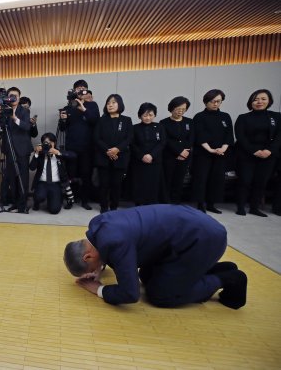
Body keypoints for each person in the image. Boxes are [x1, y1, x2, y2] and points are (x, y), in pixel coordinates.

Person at [63, 204, 247, 309]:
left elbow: (131, 293)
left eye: (91, 268)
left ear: (87, 256)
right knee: (147, 276)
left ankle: (229, 278)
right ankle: (220, 268)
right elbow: (112, 254)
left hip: (203, 240)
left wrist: (98, 289)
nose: (95, 271)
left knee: (161, 295)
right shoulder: (97, 226)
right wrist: (99, 268)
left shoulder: (115, 241)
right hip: (190, 229)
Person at [234, 89, 281, 217]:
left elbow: (279, 137)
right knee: (245, 181)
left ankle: (255, 207)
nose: (259, 101)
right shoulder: (243, 118)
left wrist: (269, 150)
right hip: (247, 154)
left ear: (269, 101)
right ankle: (240, 206)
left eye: (263, 99)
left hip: (268, 155)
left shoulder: (276, 117)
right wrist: (254, 151)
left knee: (261, 182)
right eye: (256, 99)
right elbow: (240, 136)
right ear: (251, 102)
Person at [58, 80, 101, 210]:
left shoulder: (92, 105)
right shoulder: (68, 107)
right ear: (74, 91)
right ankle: (71, 199)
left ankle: (85, 201)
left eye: (84, 88)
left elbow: (96, 122)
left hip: (87, 147)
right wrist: (63, 120)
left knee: (86, 175)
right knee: (70, 175)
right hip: (71, 147)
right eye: (78, 88)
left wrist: (84, 109)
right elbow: (62, 128)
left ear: (87, 91)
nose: (81, 90)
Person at [191, 89, 234, 214]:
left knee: (216, 180)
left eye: (218, 101)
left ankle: (211, 204)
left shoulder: (225, 116)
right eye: (212, 101)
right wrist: (210, 149)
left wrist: (223, 148)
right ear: (205, 102)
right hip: (203, 153)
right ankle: (200, 204)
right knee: (201, 179)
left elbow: (229, 135)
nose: (215, 104)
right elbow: (199, 135)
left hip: (221, 153)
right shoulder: (199, 116)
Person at [0, 87, 32, 213]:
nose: (13, 98)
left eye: (15, 96)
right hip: (9, 149)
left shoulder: (24, 111)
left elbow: (27, 127)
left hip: (22, 150)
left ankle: (22, 205)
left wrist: (15, 118)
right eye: (10, 96)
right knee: (12, 178)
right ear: (7, 98)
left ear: (19, 98)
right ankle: (15, 203)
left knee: (23, 178)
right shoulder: (4, 110)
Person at [94, 94, 133, 213]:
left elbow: (129, 138)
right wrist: (108, 151)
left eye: (113, 102)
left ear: (120, 104)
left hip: (120, 157)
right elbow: (96, 138)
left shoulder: (126, 120)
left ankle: (114, 206)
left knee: (117, 184)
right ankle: (104, 206)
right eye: (108, 103)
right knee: (104, 184)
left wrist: (117, 149)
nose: (110, 105)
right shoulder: (101, 119)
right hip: (103, 156)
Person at [29, 133, 75, 213]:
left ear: (55, 143)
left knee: (54, 210)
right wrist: (36, 153)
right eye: (46, 143)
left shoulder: (58, 153)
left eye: (51, 143)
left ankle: (54, 198)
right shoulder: (40, 155)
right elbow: (32, 168)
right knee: (39, 196)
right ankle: (37, 202)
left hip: (55, 184)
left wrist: (57, 152)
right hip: (42, 183)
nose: (48, 145)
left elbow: (73, 156)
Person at [160, 96, 194, 204]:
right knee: (167, 180)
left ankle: (176, 202)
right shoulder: (164, 122)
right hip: (169, 156)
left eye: (183, 109)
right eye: (178, 109)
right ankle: (166, 202)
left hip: (185, 156)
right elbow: (166, 140)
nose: (180, 111)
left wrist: (185, 152)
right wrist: (179, 151)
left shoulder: (189, 122)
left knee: (179, 180)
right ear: (172, 108)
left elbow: (191, 138)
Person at [131, 102, 166, 205]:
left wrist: (151, 155)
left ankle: (151, 204)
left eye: (150, 115)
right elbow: (132, 144)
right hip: (139, 161)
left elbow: (162, 142)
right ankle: (139, 203)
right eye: (145, 115)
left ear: (154, 115)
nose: (147, 118)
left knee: (153, 183)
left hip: (155, 161)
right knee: (139, 183)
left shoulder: (159, 127)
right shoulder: (134, 128)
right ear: (140, 115)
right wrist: (142, 156)